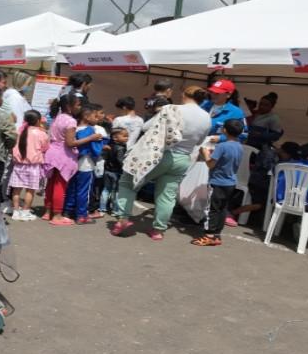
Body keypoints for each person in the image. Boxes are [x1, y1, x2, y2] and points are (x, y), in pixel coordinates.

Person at [111, 86, 211, 240]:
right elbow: (200, 140)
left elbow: (146, 127)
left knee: (128, 182)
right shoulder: (206, 117)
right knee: (167, 195)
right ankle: (158, 229)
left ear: (184, 95)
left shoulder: (172, 108)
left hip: (159, 154)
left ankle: (123, 219)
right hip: (183, 158)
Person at [42, 93, 98, 226]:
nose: (80, 107)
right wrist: (91, 138)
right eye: (78, 104)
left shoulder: (57, 117)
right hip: (63, 156)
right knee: (59, 186)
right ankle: (57, 215)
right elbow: (70, 143)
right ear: (69, 106)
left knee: (50, 184)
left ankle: (47, 212)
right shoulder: (71, 121)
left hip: (52, 153)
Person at [192, 119, 245, 247]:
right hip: (231, 182)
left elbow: (210, 164)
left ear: (224, 130)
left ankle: (209, 235)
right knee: (222, 208)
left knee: (211, 209)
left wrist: (205, 154)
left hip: (217, 181)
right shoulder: (239, 146)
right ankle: (216, 234)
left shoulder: (222, 146)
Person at [66, 103, 105, 225]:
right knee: (85, 190)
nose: (97, 118)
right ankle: (82, 215)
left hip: (73, 162)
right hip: (86, 163)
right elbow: (96, 149)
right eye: (94, 116)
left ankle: (68, 210)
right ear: (87, 117)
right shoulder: (91, 131)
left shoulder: (74, 128)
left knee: (72, 188)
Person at [9, 110, 48, 221]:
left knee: (16, 190)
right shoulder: (41, 133)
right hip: (33, 166)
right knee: (30, 190)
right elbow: (45, 147)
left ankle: (16, 211)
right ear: (38, 121)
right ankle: (26, 211)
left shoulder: (19, 131)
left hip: (18, 165)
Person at [100, 127, 129, 216]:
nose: (127, 138)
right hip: (116, 172)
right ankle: (115, 210)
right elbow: (120, 161)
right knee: (116, 191)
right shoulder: (121, 148)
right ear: (115, 137)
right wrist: (125, 168)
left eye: (127, 136)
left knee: (106, 189)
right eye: (124, 136)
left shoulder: (108, 146)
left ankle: (102, 208)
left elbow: (104, 157)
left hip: (107, 171)